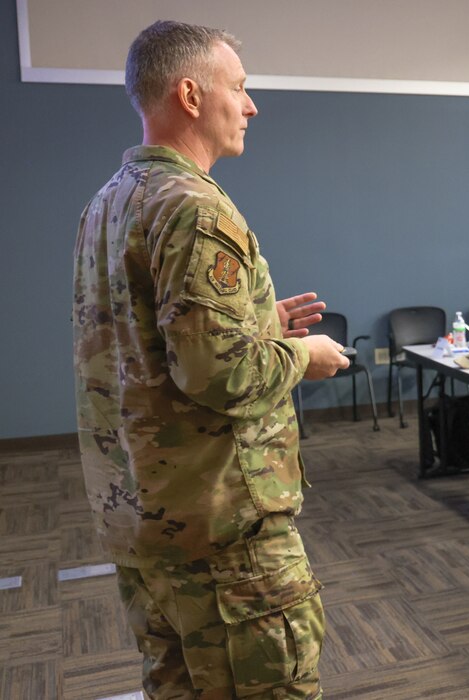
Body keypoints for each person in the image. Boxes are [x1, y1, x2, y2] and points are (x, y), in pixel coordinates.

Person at [72, 21, 349, 698]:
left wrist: (258, 322)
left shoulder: (111, 200)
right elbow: (218, 374)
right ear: (191, 95)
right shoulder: (195, 208)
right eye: (240, 88)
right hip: (221, 529)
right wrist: (298, 354)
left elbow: (139, 339)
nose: (251, 106)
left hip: (141, 514)